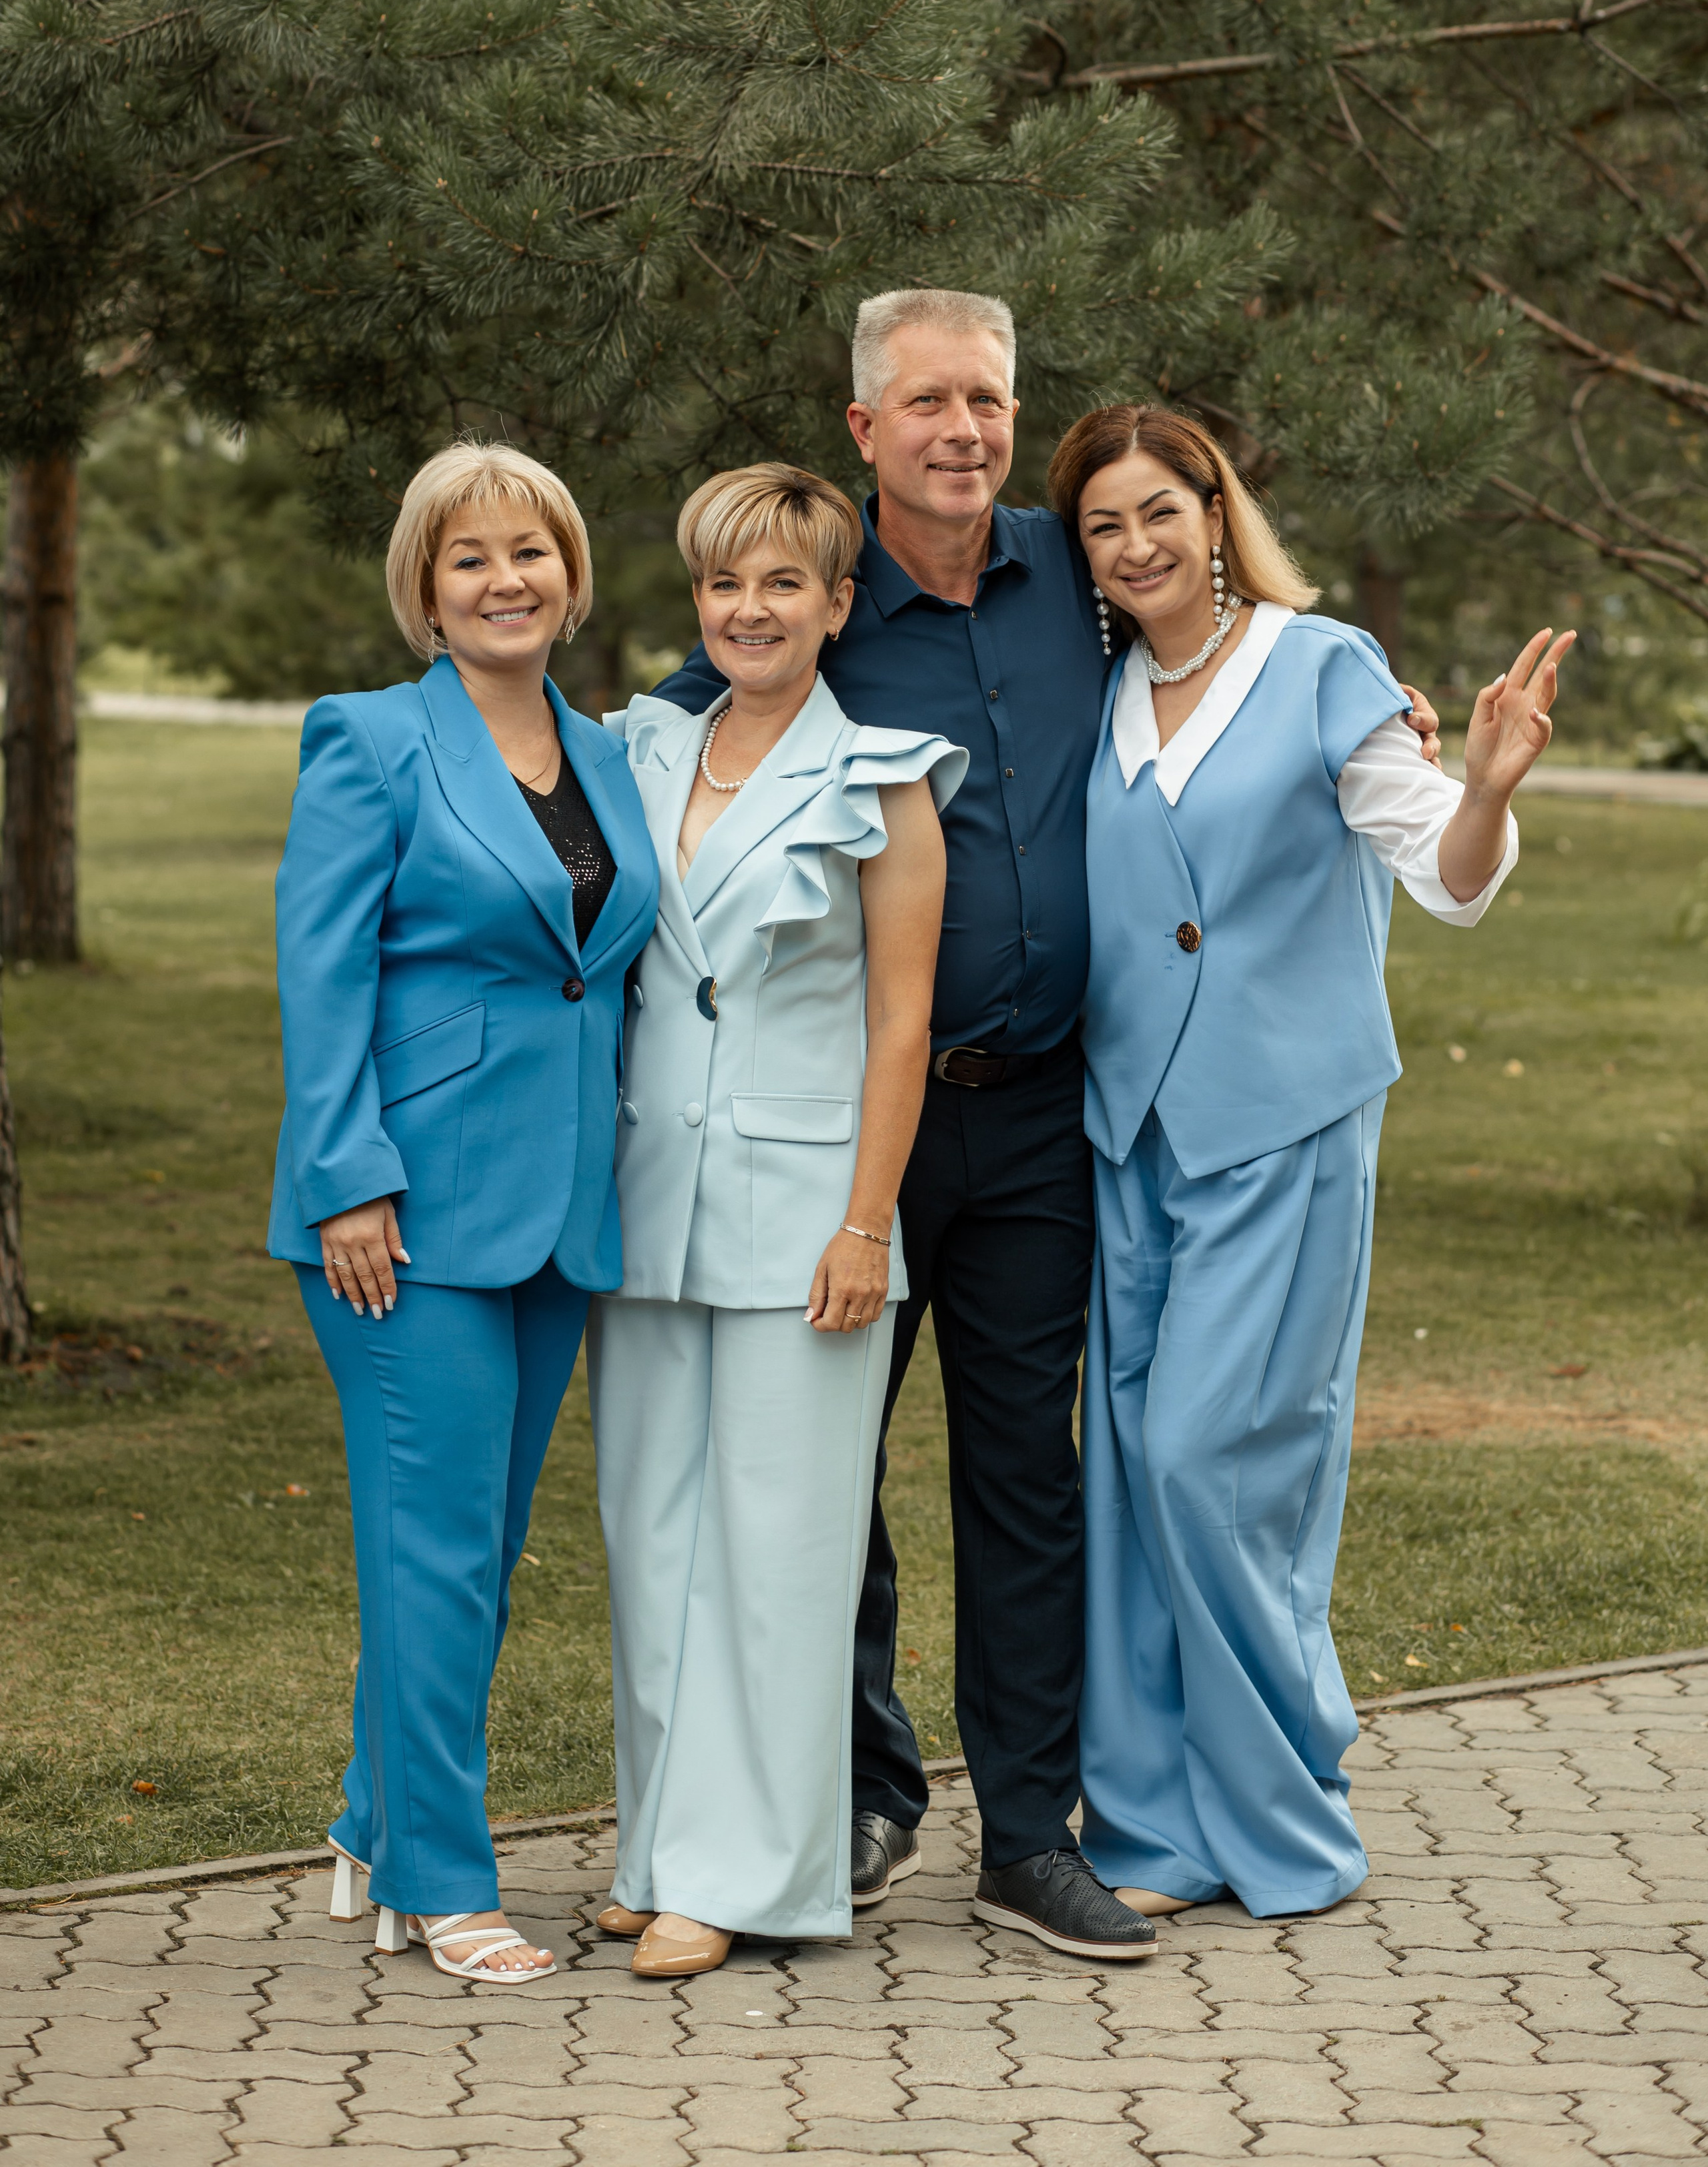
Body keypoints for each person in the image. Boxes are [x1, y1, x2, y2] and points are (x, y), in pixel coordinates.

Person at [660, 290, 1446, 1960]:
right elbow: (677, 743)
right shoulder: (805, 598)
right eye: (925, 403)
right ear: (864, 429)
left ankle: (1030, 1831)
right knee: (827, 1474)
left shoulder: (1076, 580)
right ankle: (862, 1791)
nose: (963, 430)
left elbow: (1218, 655)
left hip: (1042, 1124)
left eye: (988, 399)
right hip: (844, 1132)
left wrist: (1379, 719)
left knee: (1030, 1483)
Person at [1053, 402, 1571, 1919]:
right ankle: (1152, 1830)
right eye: (1102, 524)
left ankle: (1284, 1808)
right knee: (1127, 1490)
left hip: (1278, 1122)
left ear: (1213, 512)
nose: (1136, 543)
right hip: (1124, 1130)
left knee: (1212, 1464)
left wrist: (1478, 789)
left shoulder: (1323, 662)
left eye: (1160, 509)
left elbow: (1441, 870)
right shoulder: (1090, 685)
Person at [268, 443, 659, 1983]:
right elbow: (321, 972)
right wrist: (344, 1175)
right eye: (470, 558)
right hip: (403, 1215)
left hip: (558, 1209)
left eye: (532, 553)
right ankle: (445, 1881)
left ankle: (373, 1816)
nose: (507, 581)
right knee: (429, 1551)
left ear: (569, 575)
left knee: (477, 1554)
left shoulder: (609, 754)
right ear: (426, 592)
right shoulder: (367, 741)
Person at [587, 463, 965, 1979]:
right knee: (652, 1538)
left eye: (781, 586)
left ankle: (747, 1877)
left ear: (834, 607)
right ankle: (658, 1847)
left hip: (811, 1213)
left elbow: (901, 1021)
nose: (749, 610)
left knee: (781, 1549)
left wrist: (865, 1225)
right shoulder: (634, 746)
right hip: (641, 1209)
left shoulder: (882, 776)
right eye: (723, 585)